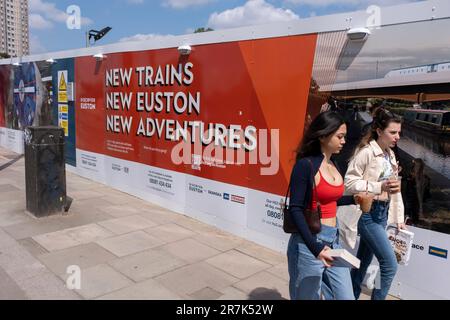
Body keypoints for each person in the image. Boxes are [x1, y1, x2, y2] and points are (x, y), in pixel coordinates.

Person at [287, 111, 357, 300]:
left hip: (333, 239)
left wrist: (355, 199)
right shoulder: (305, 165)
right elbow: (295, 209)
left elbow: (330, 199)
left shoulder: (334, 163)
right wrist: (315, 248)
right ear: (324, 135)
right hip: (309, 243)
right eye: (340, 136)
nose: (343, 142)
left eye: (344, 137)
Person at [345, 108, 406, 300]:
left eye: (399, 133)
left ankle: (350, 296)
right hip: (367, 214)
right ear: (379, 131)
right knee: (389, 265)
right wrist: (379, 185)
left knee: (363, 262)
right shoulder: (366, 153)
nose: (397, 137)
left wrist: (398, 217)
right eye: (393, 132)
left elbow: (394, 189)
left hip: (382, 213)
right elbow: (350, 182)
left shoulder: (390, 155)